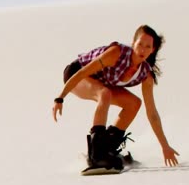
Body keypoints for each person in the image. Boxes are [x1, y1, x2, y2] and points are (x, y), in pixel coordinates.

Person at [51, 24, 180, 172]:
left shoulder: (146, 75)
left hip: (101, 82)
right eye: (139, 44)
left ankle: (107, 149)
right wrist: (60, 98)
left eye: (148, 46)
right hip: (76, 74)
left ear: (153, 50)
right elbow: (83, 72)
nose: (142, 50)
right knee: (104, 93)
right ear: (133, 43)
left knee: (134, 103)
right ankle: (96, 156)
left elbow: (152, 113)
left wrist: (165, 146)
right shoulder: (116, 53)